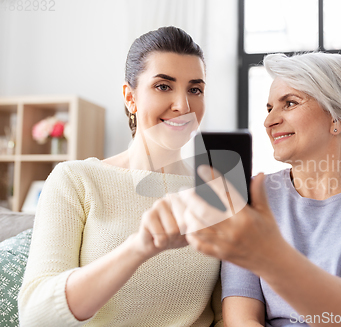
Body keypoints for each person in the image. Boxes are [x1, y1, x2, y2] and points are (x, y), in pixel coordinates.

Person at [170, 52, 341, 327]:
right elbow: (243, 316)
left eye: (289, 103)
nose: (270, 121)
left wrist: (270, 258)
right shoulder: (252, 194)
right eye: (269, 108)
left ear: (338, 118)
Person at [18, 26, 223, 327]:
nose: (183, 105)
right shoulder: (76, 180)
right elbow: (36, 316)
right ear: (130, 97)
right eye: (163, 86)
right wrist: (139, 247)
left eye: (195, 89)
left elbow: (227, 314)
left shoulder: (216, 190)